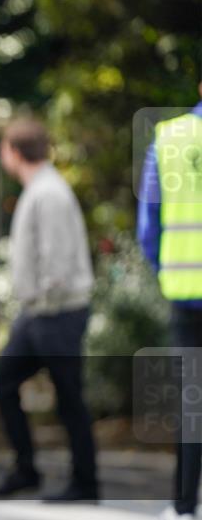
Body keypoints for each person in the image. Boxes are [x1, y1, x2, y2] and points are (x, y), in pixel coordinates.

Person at [0, 117, 99, 503]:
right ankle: (26, 469)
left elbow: (58, 262)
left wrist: (41, 303)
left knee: (69, 398)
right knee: (5, 381)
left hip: (56, 313)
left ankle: (85, 482)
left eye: (4, 150)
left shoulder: (48, 193)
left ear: (15, 152)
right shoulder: (40, 189)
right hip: (40, 313)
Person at [137, 81, 202, 520]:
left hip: (184, 294)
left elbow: (148, 227)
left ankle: (184, 505)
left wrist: (166, 267)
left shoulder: (170, 137)